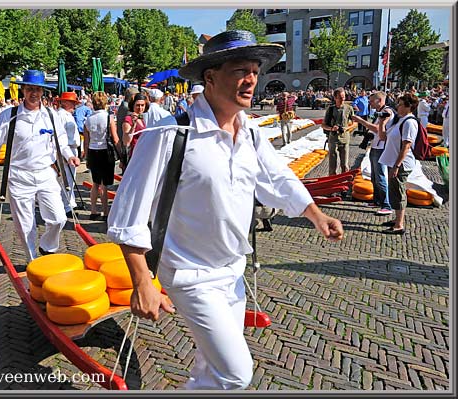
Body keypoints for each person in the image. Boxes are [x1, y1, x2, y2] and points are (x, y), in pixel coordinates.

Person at [107, 30, 344, 390]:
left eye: (255, 70)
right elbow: (127, 216)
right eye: (240, 70)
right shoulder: (169, 134)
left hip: (233, 272)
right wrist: (142, 281)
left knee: (210, 369)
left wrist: (316, 214)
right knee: (236, 373)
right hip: (189, 274)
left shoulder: (249, 134)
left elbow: (276, 179)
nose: (251, 79)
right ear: (210, 77)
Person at [0, 70, 80, 260]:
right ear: (23, 90)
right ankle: (32, 261)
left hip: (46, 173)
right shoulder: (10, 115)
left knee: (59, 218)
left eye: (38, 89)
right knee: (25, 225)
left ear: (43, 92)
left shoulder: (50, 115)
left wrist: (68, 155)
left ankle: (48, 246)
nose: (34, 93)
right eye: (30, 89)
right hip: (19, 175)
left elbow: (61, 140)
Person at [377, 93, 420, 235]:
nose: (397, 107)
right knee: (394, 191)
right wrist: (382, 123)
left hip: (400, 164)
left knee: (399, 192)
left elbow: (406, 146)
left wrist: (396, 166)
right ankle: (397, 219)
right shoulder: (399, 120)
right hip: (393, 161)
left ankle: (399, 225)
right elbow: (383, 137)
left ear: (409, 106)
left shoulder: (409, 122)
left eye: (400, 104)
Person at [351, 91, 394, 215]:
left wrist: (361, 121)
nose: (369, 103)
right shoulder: (379, 113)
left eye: (371, 100)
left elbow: (378, 129)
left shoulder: (387, 112)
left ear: (379, 100)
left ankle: (386, 204)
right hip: (376, 146)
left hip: (381, 147)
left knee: (380, 175)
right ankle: (377, 200)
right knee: (375, 175)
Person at [82, 91, 119, 221]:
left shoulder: (88, 119)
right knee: (105, 184)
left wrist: (86, 156)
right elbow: (115, 138)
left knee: (95, 183)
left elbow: (86, 141)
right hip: (105, 152)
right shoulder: (109, 118)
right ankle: (105, 212)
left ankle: (93, 210)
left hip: (93, 151)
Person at [55, 91, 80, 216]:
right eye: (71, 102)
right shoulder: (60, 115)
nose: (73, 105)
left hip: (72, 147)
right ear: (63, 102)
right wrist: (66, 155)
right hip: (67, 148)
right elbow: (60, 137)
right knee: (66, 179)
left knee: (71, 178)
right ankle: (66, 206)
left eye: (74, 103)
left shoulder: (67, 115)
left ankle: (70, 202)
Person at [322, 87, 357, 176]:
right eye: (340, 97)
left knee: (344, 164)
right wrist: (331, 129)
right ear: (335, 98)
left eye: (344, 97)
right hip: (333, 138)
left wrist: (347, 128)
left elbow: (355, 123)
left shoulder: (349, 108)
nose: (342, 99)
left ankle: (344, 180)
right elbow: (323, 125)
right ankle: (332, 180)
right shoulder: (330, 109)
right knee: (332, 164)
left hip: (345, 138)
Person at [121, 92, 149, 170]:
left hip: (144, 155)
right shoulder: (128, 119)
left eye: (142, 105)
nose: (140, 108)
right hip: (135, 156)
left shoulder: (143, 118)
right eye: (137, 105)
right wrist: (133, 125)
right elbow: (126, 142)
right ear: (133, 105)